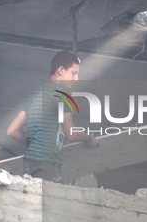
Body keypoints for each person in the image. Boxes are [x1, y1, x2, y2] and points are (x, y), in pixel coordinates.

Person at [7, 51, 98, 182]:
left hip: (30, 163)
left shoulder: (36, 94)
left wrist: (35, 144)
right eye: (74, 73)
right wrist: (89, 139)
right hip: (47, 163)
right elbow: (71, 134)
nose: (76, 79)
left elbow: (12, 130)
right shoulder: (62, 93)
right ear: (61, 70)